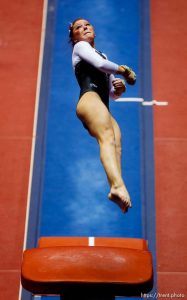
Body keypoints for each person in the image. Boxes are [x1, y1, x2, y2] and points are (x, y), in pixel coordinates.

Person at [69, 18, 136, 213]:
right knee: (107, 138)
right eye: (78, 28)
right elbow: (101, 64)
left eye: (87, 25)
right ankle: (116, 186)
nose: (84, 28)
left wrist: (119, 88)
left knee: (116, 141)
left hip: (102, 104)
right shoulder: (80, 47)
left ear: (94, 30)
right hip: (89, 100)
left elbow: (112, 95)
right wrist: (124, 70)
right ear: (74, 37)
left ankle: (117, 187)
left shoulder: (102, 54)